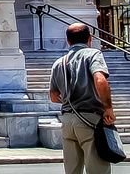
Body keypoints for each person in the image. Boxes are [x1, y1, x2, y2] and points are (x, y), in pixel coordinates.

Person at [49, 22, 116, 174]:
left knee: (72, 170)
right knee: (97, 168)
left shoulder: (59, 63)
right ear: (90, 38)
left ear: (68, 40)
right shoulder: (93, 54)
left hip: (67, 121)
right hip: (89, 118)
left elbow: (53, 96)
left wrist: (69, 100)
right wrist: (108, 109)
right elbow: (100, 79)